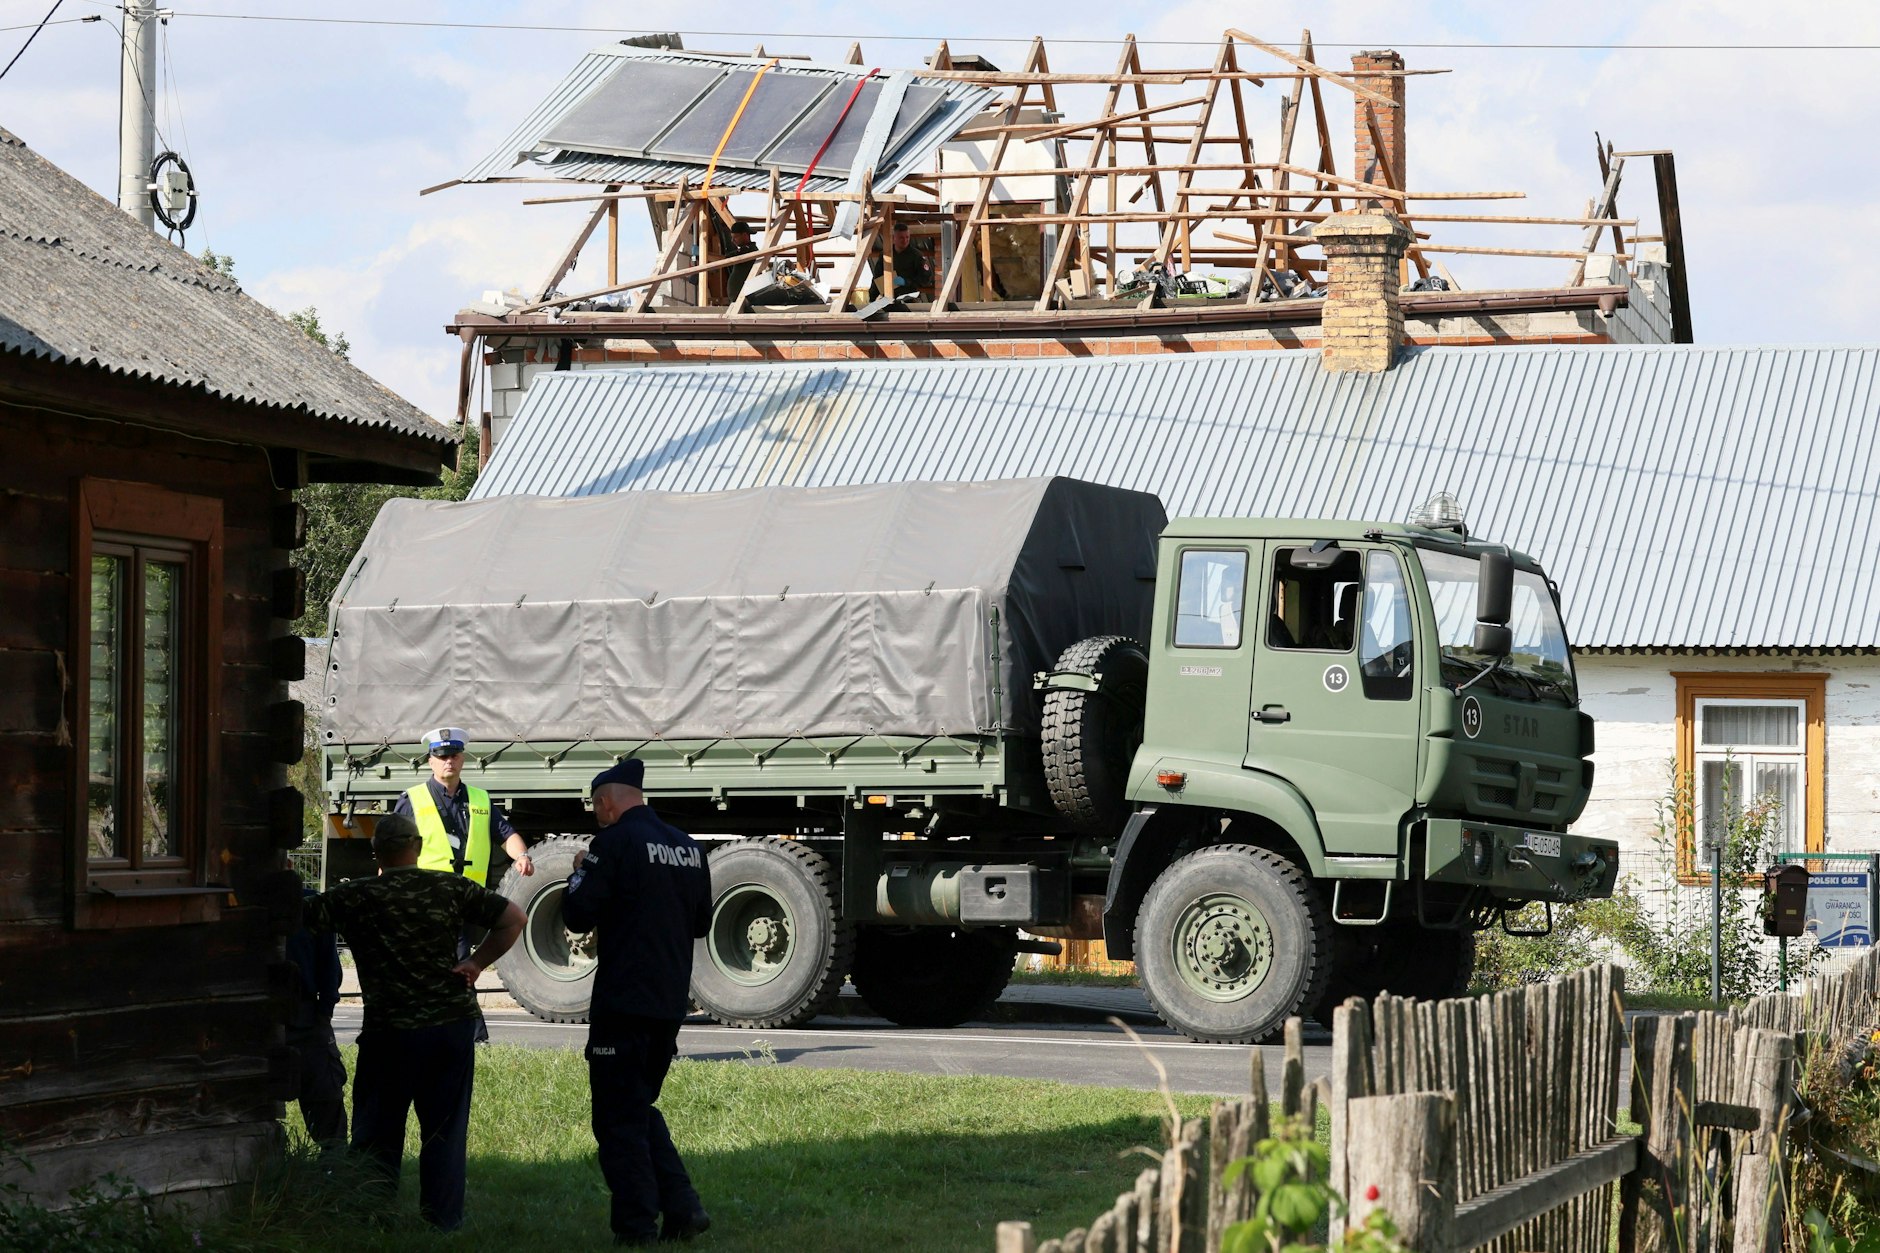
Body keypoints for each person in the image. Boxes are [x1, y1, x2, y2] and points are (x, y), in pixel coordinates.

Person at [305, 814, 524, 1232]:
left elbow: (294, 918)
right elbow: (514, 918)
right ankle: (443, 1221)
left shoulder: (356, 896)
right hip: (449, 1027)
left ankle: (374, 1214)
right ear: (419, 846)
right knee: (444, 1131)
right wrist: (476, 962)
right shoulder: (449, 887)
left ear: (376, 854)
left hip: (388, 1032)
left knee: (377, 1132)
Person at [562, 758, 713, 1246]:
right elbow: (701, 924)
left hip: (623, 1002)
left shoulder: (614, 843)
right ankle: (684, 1209)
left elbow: (578, 915)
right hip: (668, 1003)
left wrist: (580, 874)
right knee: (637, 1106)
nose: (595, 815)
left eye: (594, 807)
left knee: (616, 1119)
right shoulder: (689, 848)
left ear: (606, 801)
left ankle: (636, 1228)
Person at [394, 726, 532, 1042]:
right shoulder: (412, 800)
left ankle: (453, 1033)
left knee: (449, 965)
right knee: (450, 965)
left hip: (467, 900)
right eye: (441, 756)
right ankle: (471, 1035)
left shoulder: (480, 800)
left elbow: (506, 835)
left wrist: (521, 854)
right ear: (430, 760)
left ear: (463, 759)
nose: (448, 762)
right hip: (426, 901)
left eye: (454, 755)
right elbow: (392, 854)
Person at [285, 887, 346, 1149]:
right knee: (327, 1111)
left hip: (304, 1017)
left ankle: (334, 1167)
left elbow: (330, 970)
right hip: (306, 1017)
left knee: (328, 1113)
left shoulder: (309, 904)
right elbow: (330, 969)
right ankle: (334, 1168)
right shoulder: (308, 902)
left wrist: (324, 1013)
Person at [722, 219, 758, 299]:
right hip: (740, 297)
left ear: (745, 235)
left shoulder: (749, 250)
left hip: (743, 297)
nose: (733, 240)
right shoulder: (747, 250)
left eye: (735, 237)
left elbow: (728, 258)